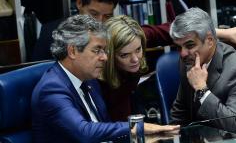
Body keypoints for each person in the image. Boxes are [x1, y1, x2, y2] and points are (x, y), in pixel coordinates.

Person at [31, 14, 180, 143]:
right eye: (97, 51)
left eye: (104, 50)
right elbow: (85, 132)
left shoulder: (88, 79)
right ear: (73, 51)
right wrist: (138, 127)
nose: (104, 57)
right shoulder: (52, 89)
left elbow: (105, 126)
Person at [31, 0, 236, 61]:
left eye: (107, 16)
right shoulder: (53, 33)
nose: (100, 23)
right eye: (93, 14)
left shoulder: (114, 31)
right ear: (79, 3)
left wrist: (220, 33)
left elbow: (165, 31)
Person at [169, 7, 236, 134]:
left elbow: (232, 125)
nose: (183, 53)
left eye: (190, 45)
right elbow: (180, 113)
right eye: (179, 47)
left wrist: (201, 89)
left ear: (210, 41)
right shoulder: (188, 61)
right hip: (208, 137)